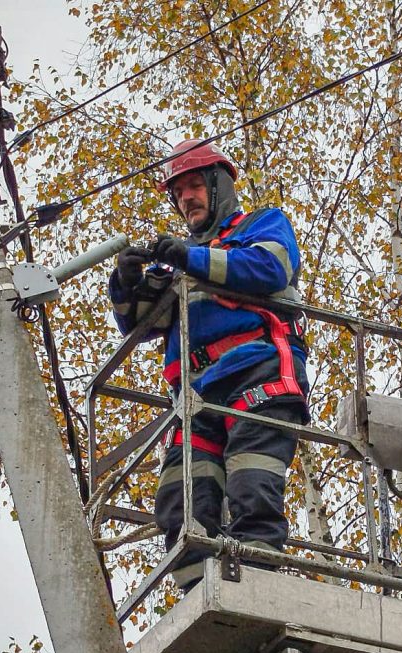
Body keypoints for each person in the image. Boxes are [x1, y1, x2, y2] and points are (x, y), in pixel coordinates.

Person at [108, 138, 310, 591]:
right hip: (197, 398)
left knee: (251, 486)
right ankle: (202, 600)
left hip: (257, 375)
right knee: (180, 504)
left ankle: (254, 592)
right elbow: (138, 324)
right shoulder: (183, 265)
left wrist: (190, 257)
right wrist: (125, 285)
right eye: (179, 193)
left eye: (195, 186)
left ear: (219, 186)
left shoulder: (262, 226)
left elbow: (270, 269)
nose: (186, 199)